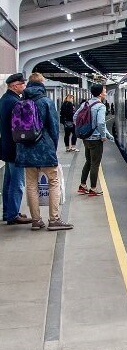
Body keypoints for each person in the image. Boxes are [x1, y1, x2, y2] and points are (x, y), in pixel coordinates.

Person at [15, 73, 73, 231]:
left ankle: (36, 220)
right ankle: (54, 220)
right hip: (44, 149)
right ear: (42, 84)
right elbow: (54, 129)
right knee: (53, 182)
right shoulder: (46, 102)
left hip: (25, 150)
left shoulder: (21, 101)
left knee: (31, 185)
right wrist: (53, 149)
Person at [0, 73, 32, 225]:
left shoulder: (4, 100)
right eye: (22, 84)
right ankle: (13, 215)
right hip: (15, 148)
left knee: (8, 182)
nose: (24, 86)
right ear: (14, 86)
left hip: (6, 146)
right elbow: (20, 127)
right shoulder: (15, 102)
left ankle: (7, 212)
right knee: (17, 183)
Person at [75, 83, 113, 197]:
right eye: (105, 90)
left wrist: (83, 130)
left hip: (86, 137)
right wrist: (103, 136)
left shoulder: (85, 103)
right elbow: (101, 123)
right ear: (101, 93)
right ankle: (93, 188)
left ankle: (82, 186)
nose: (105, 92)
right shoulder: (101, 106)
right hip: (96, 139)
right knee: (95, 164)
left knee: (88, 161)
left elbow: (75, 117)